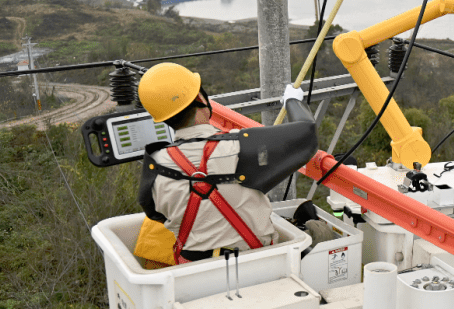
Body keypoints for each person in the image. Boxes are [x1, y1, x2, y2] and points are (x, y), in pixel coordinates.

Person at [136, 62, 318, 264]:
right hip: (257, 264)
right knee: (320, 233)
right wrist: (293, 101)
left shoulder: (155, 164)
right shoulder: (242, 146)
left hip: (191, 272)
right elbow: (307, 134)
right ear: (199, 97)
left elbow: (154, 212)